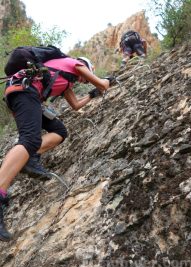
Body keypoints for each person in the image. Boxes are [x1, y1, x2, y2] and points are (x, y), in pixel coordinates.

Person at [0, 56, 112, 242]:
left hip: (23, 93)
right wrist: (107, 80)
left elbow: (75, 106)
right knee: (29, 139)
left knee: (59, 131)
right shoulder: (74, 64)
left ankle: (31, 156)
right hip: (25, 91)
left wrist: (91, 95)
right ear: (87, 67)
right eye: (87, 73)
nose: (84, 79)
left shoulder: (67, 81)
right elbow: (103, 84)